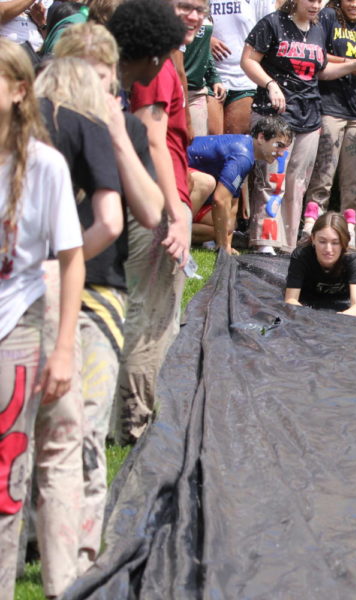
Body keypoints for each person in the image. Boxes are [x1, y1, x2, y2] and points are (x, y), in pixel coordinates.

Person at [52, 20, 165, 575]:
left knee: (88, 425)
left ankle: (80, 551)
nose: (95, 90)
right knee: (40, 422)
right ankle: (39, 535)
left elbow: (147, 210)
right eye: (85, 78)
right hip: (34, 290)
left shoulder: (123, 128)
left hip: (98, 288)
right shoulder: (39, 126)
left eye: (104, 79)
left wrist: (120, 134)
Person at [34, 55, 123, 597]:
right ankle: (68, 570)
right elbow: (114, 220)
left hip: (28, 288)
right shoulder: (92, 126)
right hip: (79, 288)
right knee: (67, 442)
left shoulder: (25, 135)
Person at [0, 38, 84, 599]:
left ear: (19, 91)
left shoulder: (45, 166)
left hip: (16, 330)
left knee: (6, 487)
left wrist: (61, 350)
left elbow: (71, 258)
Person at [106, 0, 189, 443]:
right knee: (149, 315)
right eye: (186, 9)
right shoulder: (155, 70)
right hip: (156, 202)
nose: (193, 17)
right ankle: (131, 423)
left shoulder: (154, 66)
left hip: (157, 198)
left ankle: (129, 414)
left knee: (151, 311)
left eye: (199, 9)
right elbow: (151, 140)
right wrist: (175, 213)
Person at [241, 0, 356, 255]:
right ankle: (266, 241)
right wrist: (271, 84)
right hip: (276, 115)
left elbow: (322, 70)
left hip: (309, 115)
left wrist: (355, 63)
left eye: (319, 0)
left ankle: (288, 245)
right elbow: (248, 60)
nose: (316, 5)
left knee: (298, 184)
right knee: (273, 179)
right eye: (311, 0)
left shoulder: (316, 29)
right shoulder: (272, 23)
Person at [304, 0, 356, 250]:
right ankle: (311, 235)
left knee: (355, 182)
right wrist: (350, 62)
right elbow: (318, 54)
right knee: (323, 177)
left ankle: (350, 240)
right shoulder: (327, 17)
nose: (355, 4)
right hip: (329, 106)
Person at [188, 116, 293, 254]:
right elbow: (220, 200)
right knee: (206, 183)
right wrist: (223, 245)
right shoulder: (243, 156)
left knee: (224, 227)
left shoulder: (247, 151)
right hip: (170, 180)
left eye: (285, 149)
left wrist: (227, 244)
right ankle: (172, 233)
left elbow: (232, 203)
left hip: (185, 188)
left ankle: (172, 231)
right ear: (261, 138)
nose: (281, 154)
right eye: (278, 145)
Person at [207, 0, 274, 136]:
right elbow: (186, 22)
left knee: (235, 142)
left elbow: (270, 31)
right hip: (209, 76)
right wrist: (206, 39)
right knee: (209, 142)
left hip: (243, 79)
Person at [284, 211, 356, 315]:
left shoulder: (353, 259)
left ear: (344, 242)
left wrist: (338, 320)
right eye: (322, 241)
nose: (328, 249)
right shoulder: (301, 256)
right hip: (307, 299)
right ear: (313, 239)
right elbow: (290, 300)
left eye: (335, 243)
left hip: (341, 301)